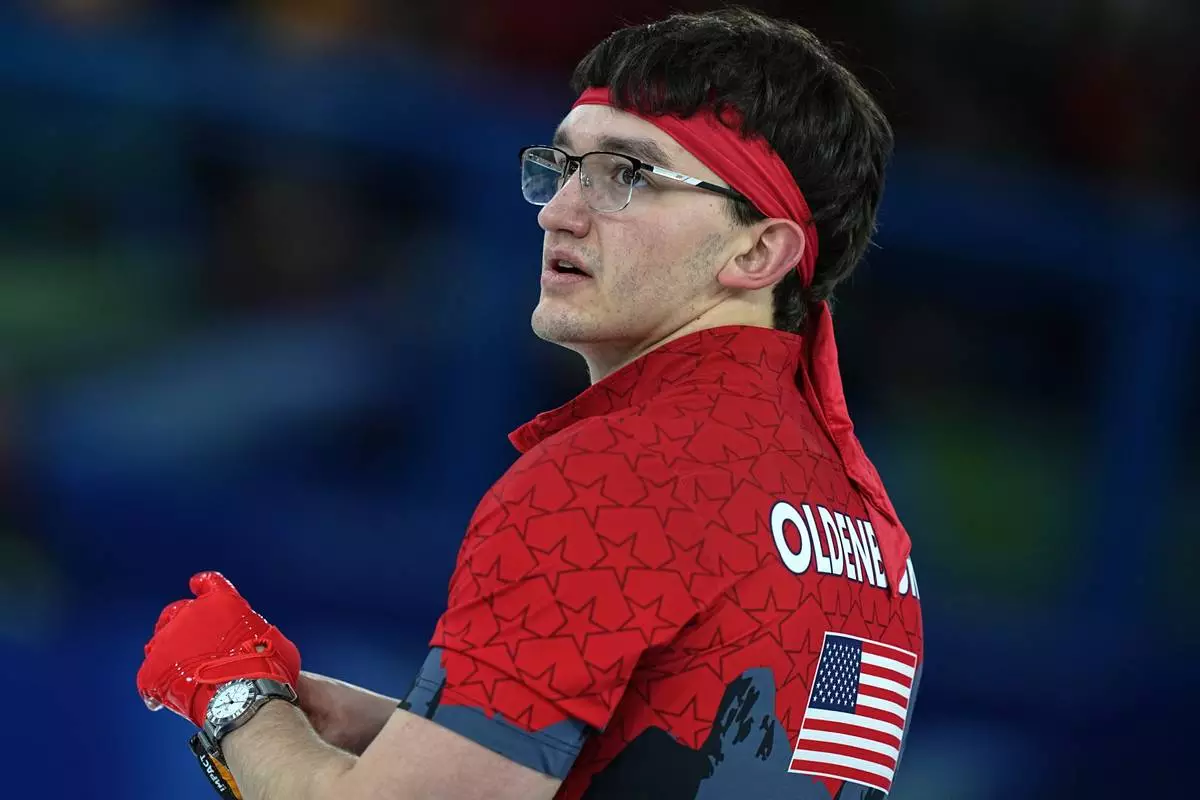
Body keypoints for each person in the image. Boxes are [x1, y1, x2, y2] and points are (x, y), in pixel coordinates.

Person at [136, 8, 925, 800]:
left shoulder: (615, 478)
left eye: (629, 175)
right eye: (566, 167)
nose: (559, 211)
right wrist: (389, 729)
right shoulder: (868, 531)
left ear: (758, 251)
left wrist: (232, 693)